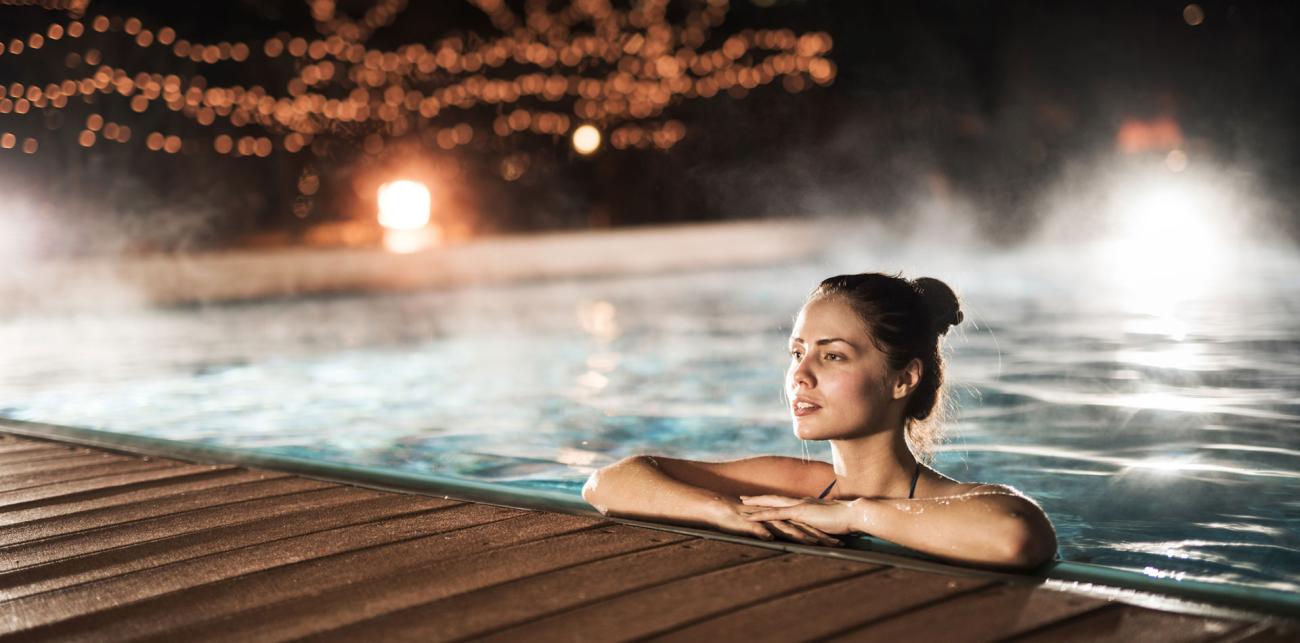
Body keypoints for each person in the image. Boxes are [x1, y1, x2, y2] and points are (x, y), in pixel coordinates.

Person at [582, 272, 1058, 570]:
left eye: (832, 356)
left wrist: (853, 513)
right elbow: (609, 482)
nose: (800, 376)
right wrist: (721, 509)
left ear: (903, 379)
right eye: (796, 352)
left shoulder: (953, 501)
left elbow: (1017, 534)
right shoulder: (793, 483)